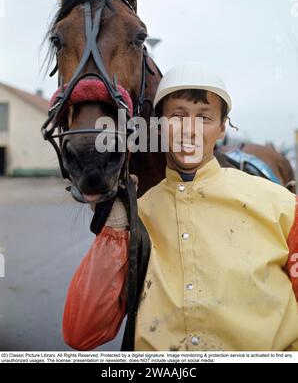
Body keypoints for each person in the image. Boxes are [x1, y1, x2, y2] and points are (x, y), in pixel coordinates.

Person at [62, 63, 298, 351]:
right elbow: (81, 334)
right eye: (177, 116)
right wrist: (113, 232)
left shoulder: (281, 206)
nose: (189, 130)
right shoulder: (137, 216)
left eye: (204, 118)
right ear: (158, 125)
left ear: (223, 127)